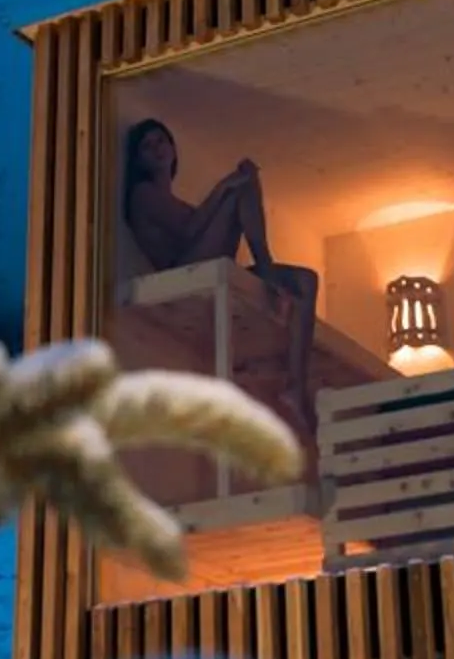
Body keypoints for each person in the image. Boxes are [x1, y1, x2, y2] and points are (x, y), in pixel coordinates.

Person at [122, 116, 321, 444]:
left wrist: (231, 186)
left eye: (162, 141)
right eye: (148, 146)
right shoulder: (142, 194)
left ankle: (296, 385)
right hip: (180, 270)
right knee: (243, 183)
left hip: (209, 261)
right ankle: (267, 269)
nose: (157, 149)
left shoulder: (176, 200)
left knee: (306, 281)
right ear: (139, 160)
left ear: (173, 149)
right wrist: (225, 186)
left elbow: (199, 224)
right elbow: (188, 232)